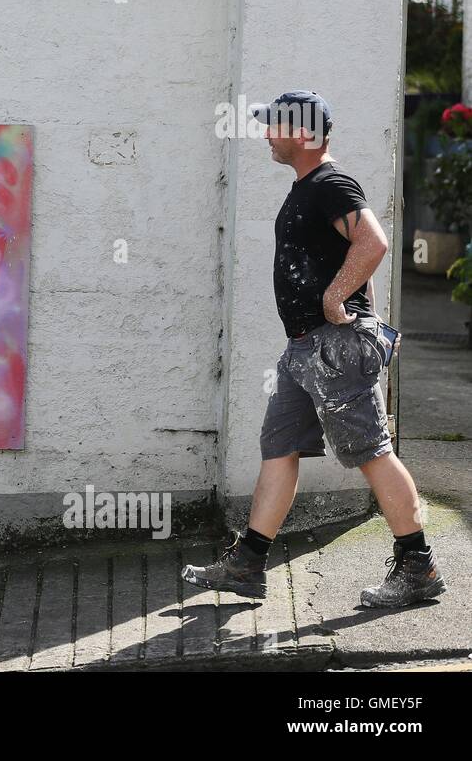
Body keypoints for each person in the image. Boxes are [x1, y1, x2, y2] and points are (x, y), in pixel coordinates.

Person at [182, 91, 446, 608]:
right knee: (279, 446)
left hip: (331, 350)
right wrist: (355, 300)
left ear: (302, 132)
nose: (266, 135)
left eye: (274, 125)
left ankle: (418, 567)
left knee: (371, 452)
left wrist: (335, 297)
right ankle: (248, 564)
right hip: (303, 349)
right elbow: (354, 255)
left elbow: (373, 243)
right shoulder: (307, 187)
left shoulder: (331, 184)